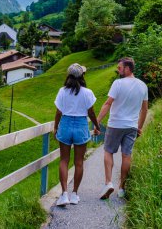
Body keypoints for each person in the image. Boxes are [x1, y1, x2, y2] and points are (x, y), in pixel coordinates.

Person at [95, 57, 148, 199]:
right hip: (131, 126)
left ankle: (108, 183)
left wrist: (97, 122)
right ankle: (121, 189)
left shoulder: (117, 83)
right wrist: (139, 128)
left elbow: (107, 103)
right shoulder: (143, 86)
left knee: (108, 152)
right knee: (126, 155)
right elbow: (145, 110)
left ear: (128, 68)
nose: (118, 70)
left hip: (115, 124)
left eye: (120, 68)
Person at [54, 63, 100, 206]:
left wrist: (56, 127)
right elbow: (91, 112)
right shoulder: (87, 92)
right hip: (80, 125)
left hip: (66, 125)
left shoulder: (62, 91)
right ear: (82, 76)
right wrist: (97, 126)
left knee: (64, 160)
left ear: (68, 75)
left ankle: (64, 195)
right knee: (79, 162)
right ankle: (74, 194)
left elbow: (58, 112)